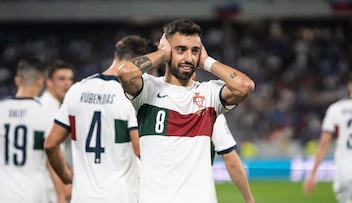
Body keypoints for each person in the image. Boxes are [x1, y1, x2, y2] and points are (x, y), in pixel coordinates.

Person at [117, 19, 255, 203]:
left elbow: (245, 86)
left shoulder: (209, 94)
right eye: (181, 50)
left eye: (194, 51)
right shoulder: (148, 90)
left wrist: (206, 61)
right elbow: (125, 73)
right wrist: (161, 53)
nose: (189, 58)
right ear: (168, 50)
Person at [44, 35, 151, 203]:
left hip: (82, 196)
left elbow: (50, 144)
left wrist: (66, 177)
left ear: (117, 56)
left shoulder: (77, 90)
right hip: (120, 196)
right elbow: (141, 150)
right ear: (139, 64)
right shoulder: (132, 96)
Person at [0, 58, 51, 203]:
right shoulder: (46, 112)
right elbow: (51, 156)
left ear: (17, 80)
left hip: (0, 191)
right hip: (33, 192)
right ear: (41, 81)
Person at [303, 73, 352, 203]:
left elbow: (324, 143)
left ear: (349, 87)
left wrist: (313, 174)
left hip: (346, 169)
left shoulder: (336, 109)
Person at [40, 59, 74, 203]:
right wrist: (63, 193)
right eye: (61, 79)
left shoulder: (51, 105)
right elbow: (51, 152)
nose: (67, 83)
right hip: (48, 187)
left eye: (70, 79)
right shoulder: (49, 109)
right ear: (48, 82)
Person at [212, 114, 255, 203]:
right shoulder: (210, 112)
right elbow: (231, 161)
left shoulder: (174, 109)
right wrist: (249, 199)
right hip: (198, 192)